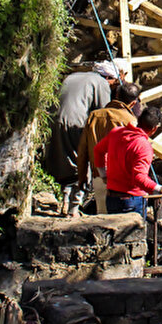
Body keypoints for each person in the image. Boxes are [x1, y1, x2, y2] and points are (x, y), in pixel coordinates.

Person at [46, 59, 129, 216]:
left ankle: (64, 201)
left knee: (65, 161)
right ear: (113, 78)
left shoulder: (74, 76)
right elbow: (103, 115)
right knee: (83, 162)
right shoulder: (102, 84)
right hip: (76, 124)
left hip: (53, 121)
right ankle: (73, 209)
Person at [93, 107, 162, 218]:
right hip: (130, 201)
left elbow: (98, 150)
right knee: (133, 234)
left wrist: (104, 175)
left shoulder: (116, 133)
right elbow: (139, 178)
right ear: (154, 129)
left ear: (138, 120)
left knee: (115, 233)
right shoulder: (143, 146)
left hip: (112, 197)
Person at [76, 82, 142, 215]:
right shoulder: (131, 121)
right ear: (133, 103)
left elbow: (82, 151)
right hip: (121, 182)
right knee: (123, 224)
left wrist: (82, 177)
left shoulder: (94, 116)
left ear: (116, 95)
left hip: (99, 177)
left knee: (103, 222)